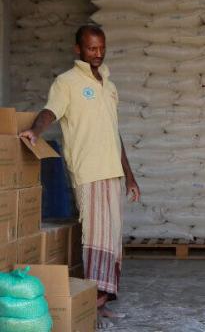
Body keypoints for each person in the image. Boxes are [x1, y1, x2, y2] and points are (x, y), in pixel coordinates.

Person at [20, 25, 140, 329]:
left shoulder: (109, 86)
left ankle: (100, 302)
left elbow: (115, 134)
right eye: (91, 49)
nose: (97, 54)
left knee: (112, 241)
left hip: (112, 171)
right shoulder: (67, 82)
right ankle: (92, 305)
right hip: (90, 171)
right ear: (78, 50)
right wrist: (36, 130)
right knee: (96, 240)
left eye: (101, 48)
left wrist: (130, 176)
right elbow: (51, 111)